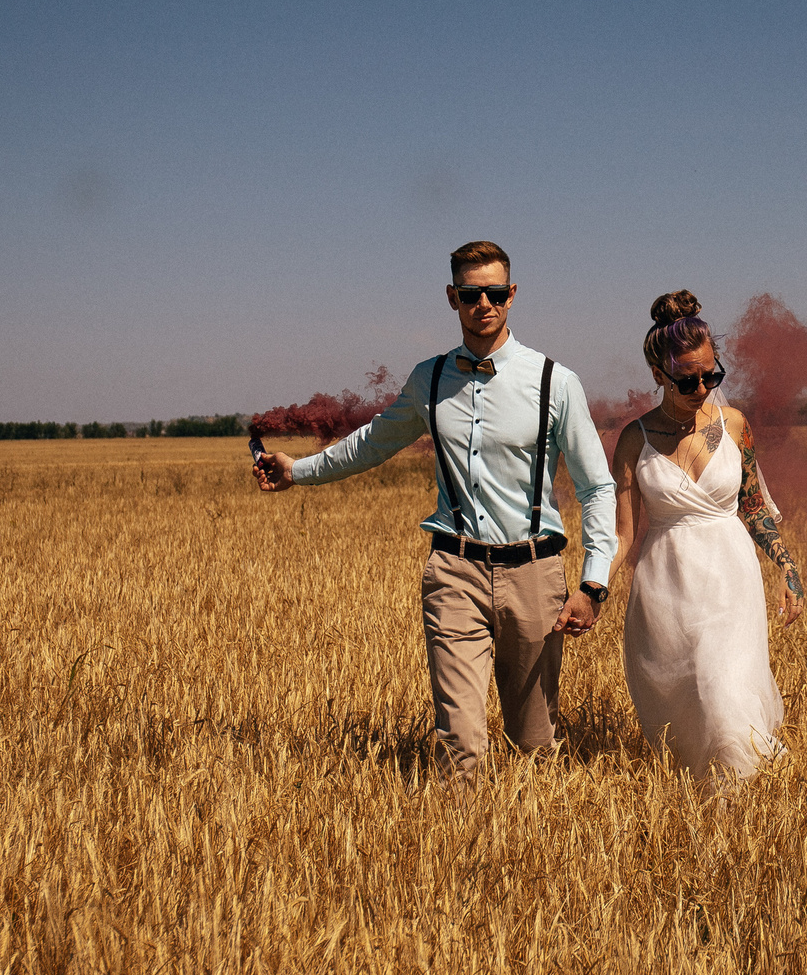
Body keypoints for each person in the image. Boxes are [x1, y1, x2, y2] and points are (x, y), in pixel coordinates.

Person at [253, 241, 616, 785]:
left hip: (535, 575)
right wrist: (298, 470)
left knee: (535, 744)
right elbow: (372, 443)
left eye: (496, 292)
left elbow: (597, 488)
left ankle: (525, 858)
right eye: (471, 294)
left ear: (512, 295)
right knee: (460, 746)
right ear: (453, 297)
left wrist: (592, 585)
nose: (484, 304)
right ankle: (458, 853)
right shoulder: (430, 378)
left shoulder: (554, 382)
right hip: (454, 572)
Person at [611, 291, 804, 784]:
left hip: (731, 579)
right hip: (665, 587)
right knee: (687, 696)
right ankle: (702, 798)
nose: (702, 387)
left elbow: (754, 504)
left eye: (711, 375)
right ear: (659, 375)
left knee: (725, 686)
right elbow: (622, 533)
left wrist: (788, 569)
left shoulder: (734, 424)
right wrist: (590, 588)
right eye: (687, 379)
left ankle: (742, 800)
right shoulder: (635, 440)